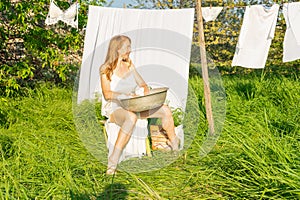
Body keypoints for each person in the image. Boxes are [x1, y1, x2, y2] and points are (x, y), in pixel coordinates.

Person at [99, 35, 180, 175]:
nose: (130, 50)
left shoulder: (129, 65)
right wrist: (123, 95)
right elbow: (107, 94)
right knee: (131, 117)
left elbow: (142, 84)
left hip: (133, 105)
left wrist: (143, 93)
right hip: (115, 108)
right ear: (118, 49)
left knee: (165, 110)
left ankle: (175, 149)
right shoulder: (106, 69)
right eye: (127, 47)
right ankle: (112, 164)